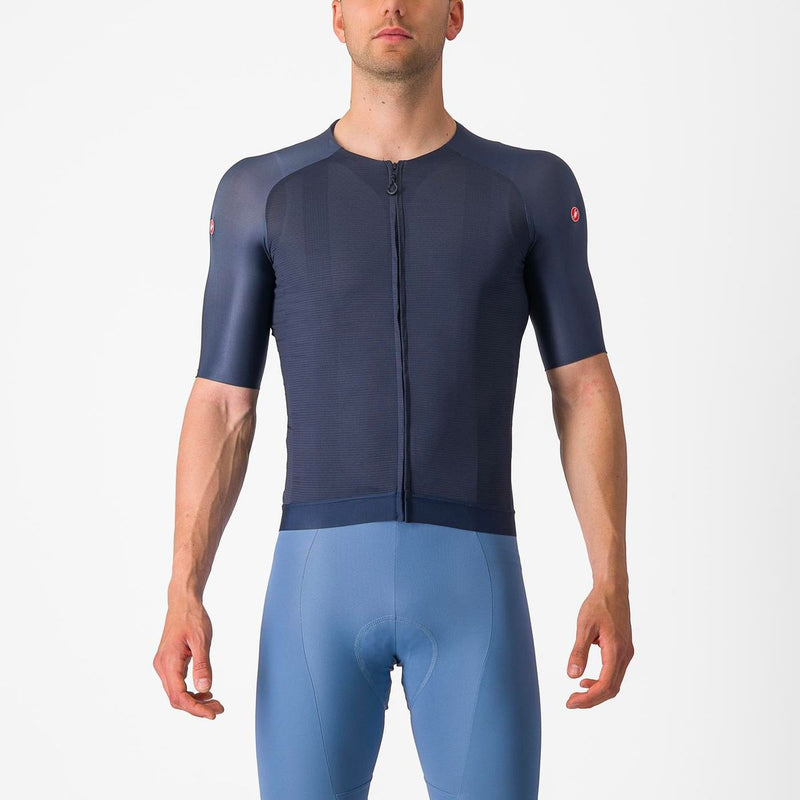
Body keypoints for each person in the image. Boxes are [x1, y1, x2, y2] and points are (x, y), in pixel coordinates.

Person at [153, 1, 634, 798]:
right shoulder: (262, 193)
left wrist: (610, 578)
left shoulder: (531, 189)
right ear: (336, 16)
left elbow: (583, 386)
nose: (392, 5)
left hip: (474, 592)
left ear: (455, 13)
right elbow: (222, 404)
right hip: (316, 596)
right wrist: (183, 588)